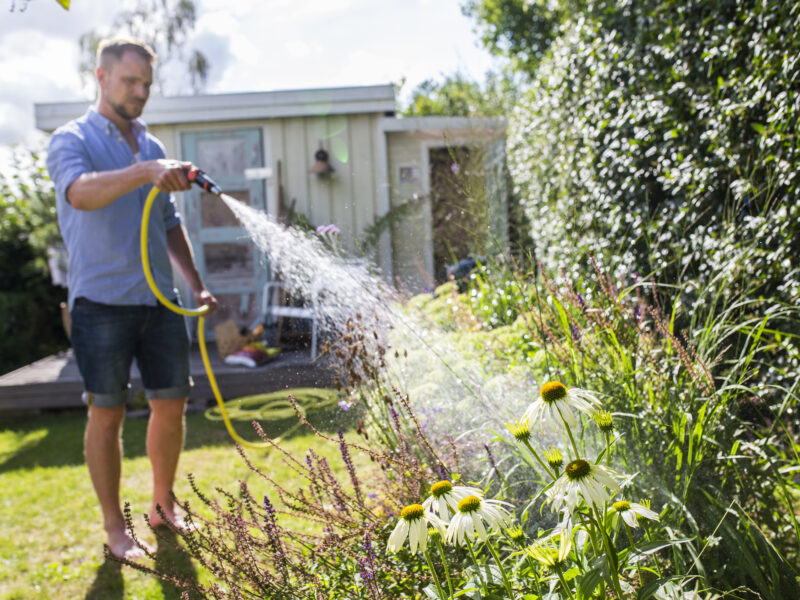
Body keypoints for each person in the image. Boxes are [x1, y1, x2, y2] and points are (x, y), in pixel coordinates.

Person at [46, 36, 219, 560]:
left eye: (146, 83)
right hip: (100, 303)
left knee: (171, 405)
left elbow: (168, 224)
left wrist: (195, 282)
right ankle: (115, 530)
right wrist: (143, 173)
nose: (140, 91)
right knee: (108, 415)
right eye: (129, 81)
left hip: (160, 301)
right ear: (100, 76)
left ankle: (163, 507)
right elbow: (80, 192)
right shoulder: (69, 139)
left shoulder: (153, 147)